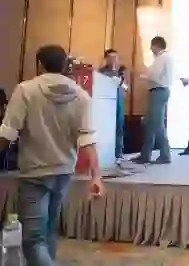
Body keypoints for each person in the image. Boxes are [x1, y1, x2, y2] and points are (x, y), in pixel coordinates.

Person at [0, 45, 104, 266]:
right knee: (48, 231)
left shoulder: (26, 90)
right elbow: (87, 139)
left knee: (33, 240)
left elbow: (7, 134)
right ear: (65, 65)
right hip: (63, 172)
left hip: (35, 172)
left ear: (39, 65)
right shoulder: (81, 96)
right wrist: (96, 176)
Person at [132, 36, 173, 164]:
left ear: (157, 46)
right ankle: (145, 155)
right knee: (149, 123)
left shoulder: (162, 58)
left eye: (152, 46)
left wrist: (142, 75)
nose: (150, 49)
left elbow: (154, 75)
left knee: (157, 124)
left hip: (159, 91)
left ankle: (165, 155)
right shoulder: (162, 58)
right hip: (157, 91)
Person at [98, 48, 128, 163]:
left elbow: (126, 88)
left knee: (119, 127)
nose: (113, 60)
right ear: (106, 59)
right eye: (110, 58)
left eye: (115, 57)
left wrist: (122, 84)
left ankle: (118, 153)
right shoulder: (101, 72)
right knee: (106, 128)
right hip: (106, 103)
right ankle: (106, 154)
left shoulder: (121, 71)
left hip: (119, 101)